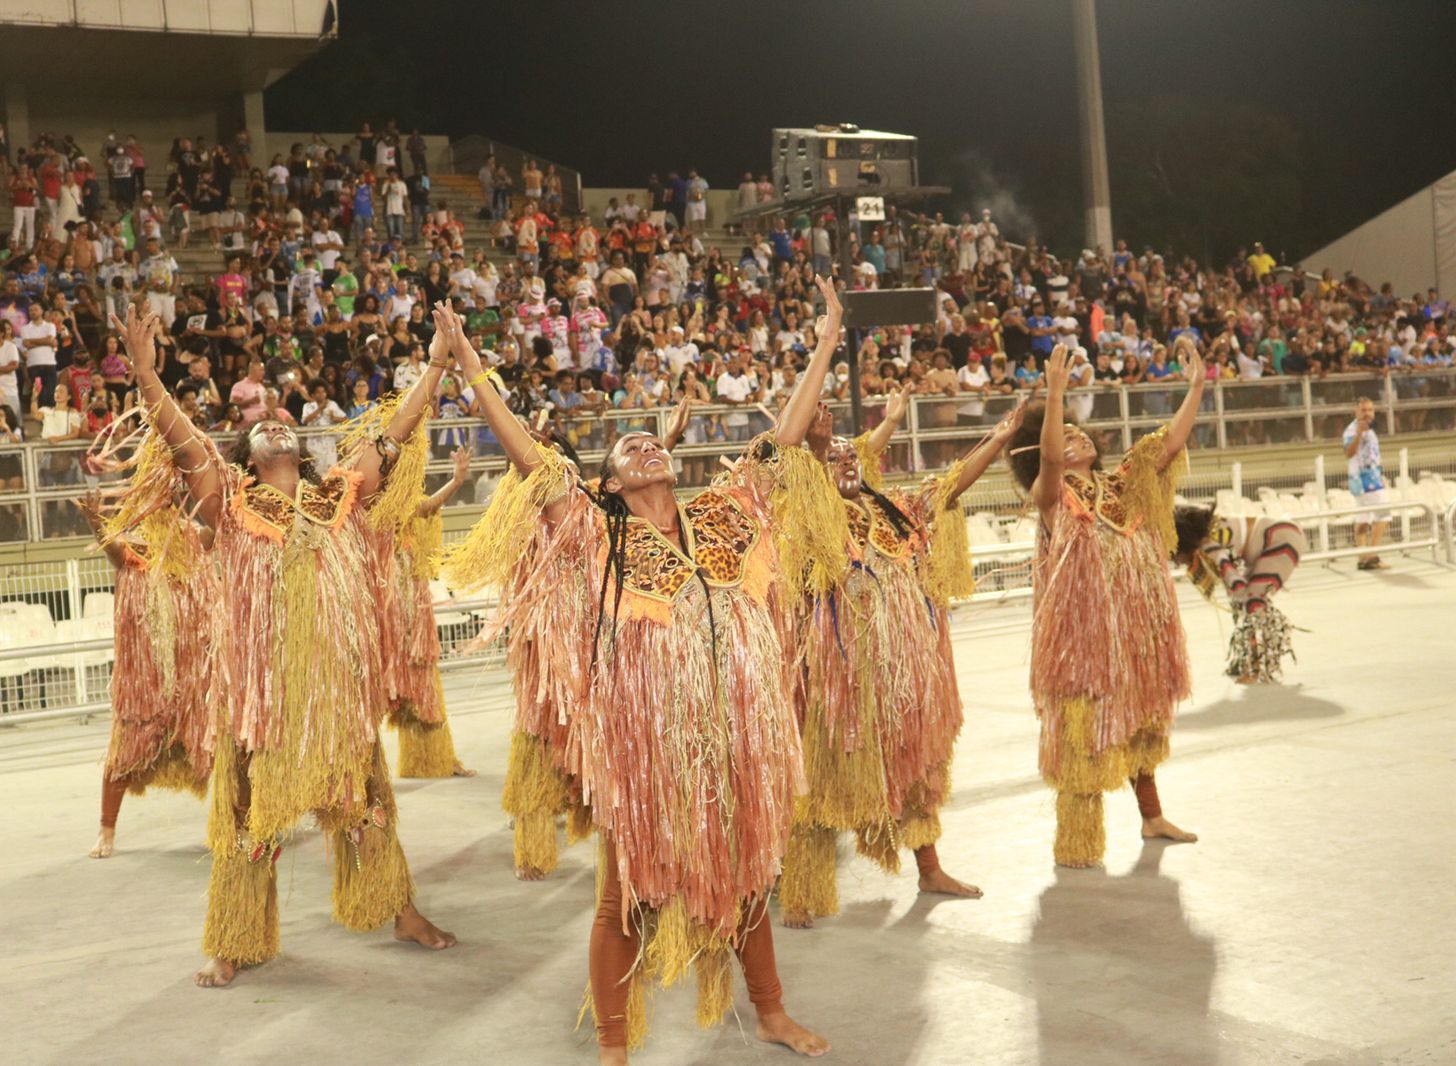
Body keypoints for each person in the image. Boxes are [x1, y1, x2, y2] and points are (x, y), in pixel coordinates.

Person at [439, 279, 847, 1063]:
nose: (647, 448)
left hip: (735, 736)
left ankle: (771, 1013)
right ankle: (616, 1045)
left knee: (750, 874)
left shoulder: (724, 513)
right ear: (614, 482)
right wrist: (469, 365)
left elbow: (786, 439)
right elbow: (528, 452)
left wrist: (827, 338)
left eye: (652, 442)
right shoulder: (597, 534)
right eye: (629, 450)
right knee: (625, 899)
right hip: (648, 750)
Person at [109, 303, 456, 989]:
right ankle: (233, 939)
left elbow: (394, 432)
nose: (272, 419)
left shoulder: (339, 496)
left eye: (282, 419)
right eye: (258, 424)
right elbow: (184, 446)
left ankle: (400, 910)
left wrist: (439, 364)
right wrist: (149, 380)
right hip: (263, 709)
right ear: (247, 455)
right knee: (248, 825)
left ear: (300, 447)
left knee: (368, 809)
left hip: (338, 702)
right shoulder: (229, 502)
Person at [779, 388, 1028, 928]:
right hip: (838, 677)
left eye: (852, 456)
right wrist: (817, 448)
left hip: (904, 674)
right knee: (827, 779)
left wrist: (998, 439)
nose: (844, 462)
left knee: (917, 771)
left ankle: (930, 868)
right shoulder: (804, 516)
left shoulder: (896, 512)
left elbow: (948, 487)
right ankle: (803, 888)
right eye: (835, 456)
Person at [1004, 339, 1205, 868]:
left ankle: (1152, 815)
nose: (1074, 437)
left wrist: (1197, 386)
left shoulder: (1123, 488)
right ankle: (1078, 844)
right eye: (1065, 435)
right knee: (1083, 739)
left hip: (1134, 637)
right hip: (1083, 646)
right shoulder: (1053, 498)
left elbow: (1166, 447)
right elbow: (1048, 456)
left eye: (1078, 431)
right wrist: (1053, 395)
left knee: (1140, 723)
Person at [75, 483, 219, 860]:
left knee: (222, 747)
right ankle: (107, 830)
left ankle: (239, 820)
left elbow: (215, 531)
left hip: (193, 671)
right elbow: (114, 550)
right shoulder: (130, 542)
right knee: (124, 752)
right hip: (147, 675)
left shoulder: (191, 537)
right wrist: (96, 523)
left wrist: (222, 496)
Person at [380, 445, 476, 779]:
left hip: (412, 603)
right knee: (395, 682)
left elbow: (429, 505)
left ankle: (435, 757)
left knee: (424, 682)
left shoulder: (408, 509)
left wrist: (456, 480)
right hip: (388, 606)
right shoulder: (375, 506)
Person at [1173, 505, 1304, 684]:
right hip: (1281, 533)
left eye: (1176, 557)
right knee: (1250, 602)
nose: (1178, 562)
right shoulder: (1211, 532)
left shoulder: (1209, 546)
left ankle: (1257, 668)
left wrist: (1234, 589)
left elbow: (1239, 588)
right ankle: (1251, 662)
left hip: (1282, 539)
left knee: (1253, 602)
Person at [1343, 396, 1390, 571]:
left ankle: (1363, 559)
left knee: (1362, 519)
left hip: (1369, 479)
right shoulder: (1352, 430)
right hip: (1365, 481)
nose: (1367, 413)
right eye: (1363, 410)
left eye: (1370, 410)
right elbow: (1349, 453)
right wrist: (1358, 434)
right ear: (1356, 412)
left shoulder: (1370, 430)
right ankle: (1372, 555)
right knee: (1383, 516)